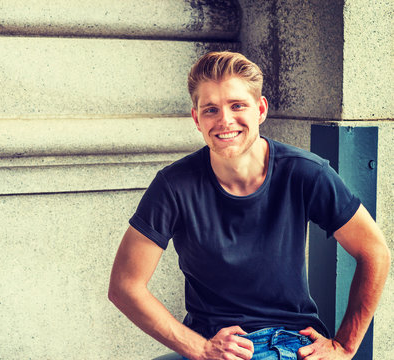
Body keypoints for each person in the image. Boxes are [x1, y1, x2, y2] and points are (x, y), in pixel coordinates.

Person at [108, 51, 390, 360]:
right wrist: (199, 347)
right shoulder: (174, 185)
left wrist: (345, 346)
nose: (225, 120)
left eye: (237, 105)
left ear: (260, 109)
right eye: (211, 109)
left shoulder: (305, 172)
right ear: (196, 119)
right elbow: (125, 285)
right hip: (213, 345)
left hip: (286, 341)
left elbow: (374, 251)